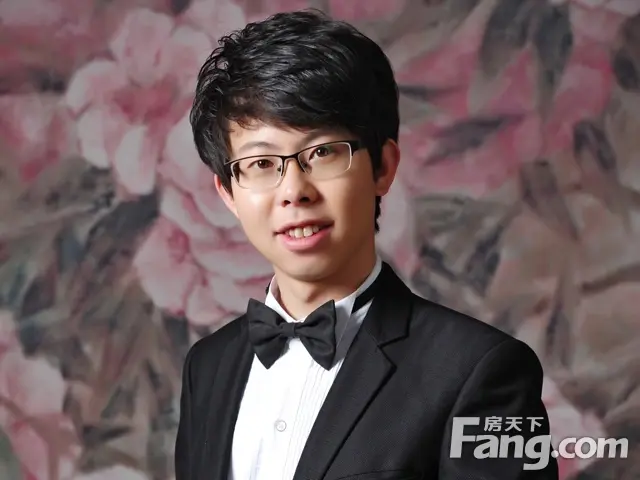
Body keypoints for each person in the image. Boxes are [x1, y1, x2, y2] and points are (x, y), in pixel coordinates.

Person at [175, 9, 559, 480]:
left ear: (383, 168)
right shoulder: (207, 368)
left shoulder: (480, 371)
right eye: (261, 164)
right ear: (229, 194)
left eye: (322, 152)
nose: (294, 191)